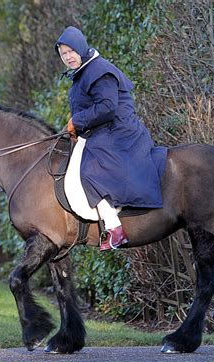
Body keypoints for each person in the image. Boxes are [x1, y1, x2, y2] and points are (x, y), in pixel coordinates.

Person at [55, 26, 167, 251]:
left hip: (119, 131)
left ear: (80, 48)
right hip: (103, 130)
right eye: (63, 54)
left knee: (89, 171)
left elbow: (107, 107)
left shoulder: (99, 70)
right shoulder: (85, 71)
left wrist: (76, 122)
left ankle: (115, 229)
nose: (68, 57)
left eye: (70, 51)